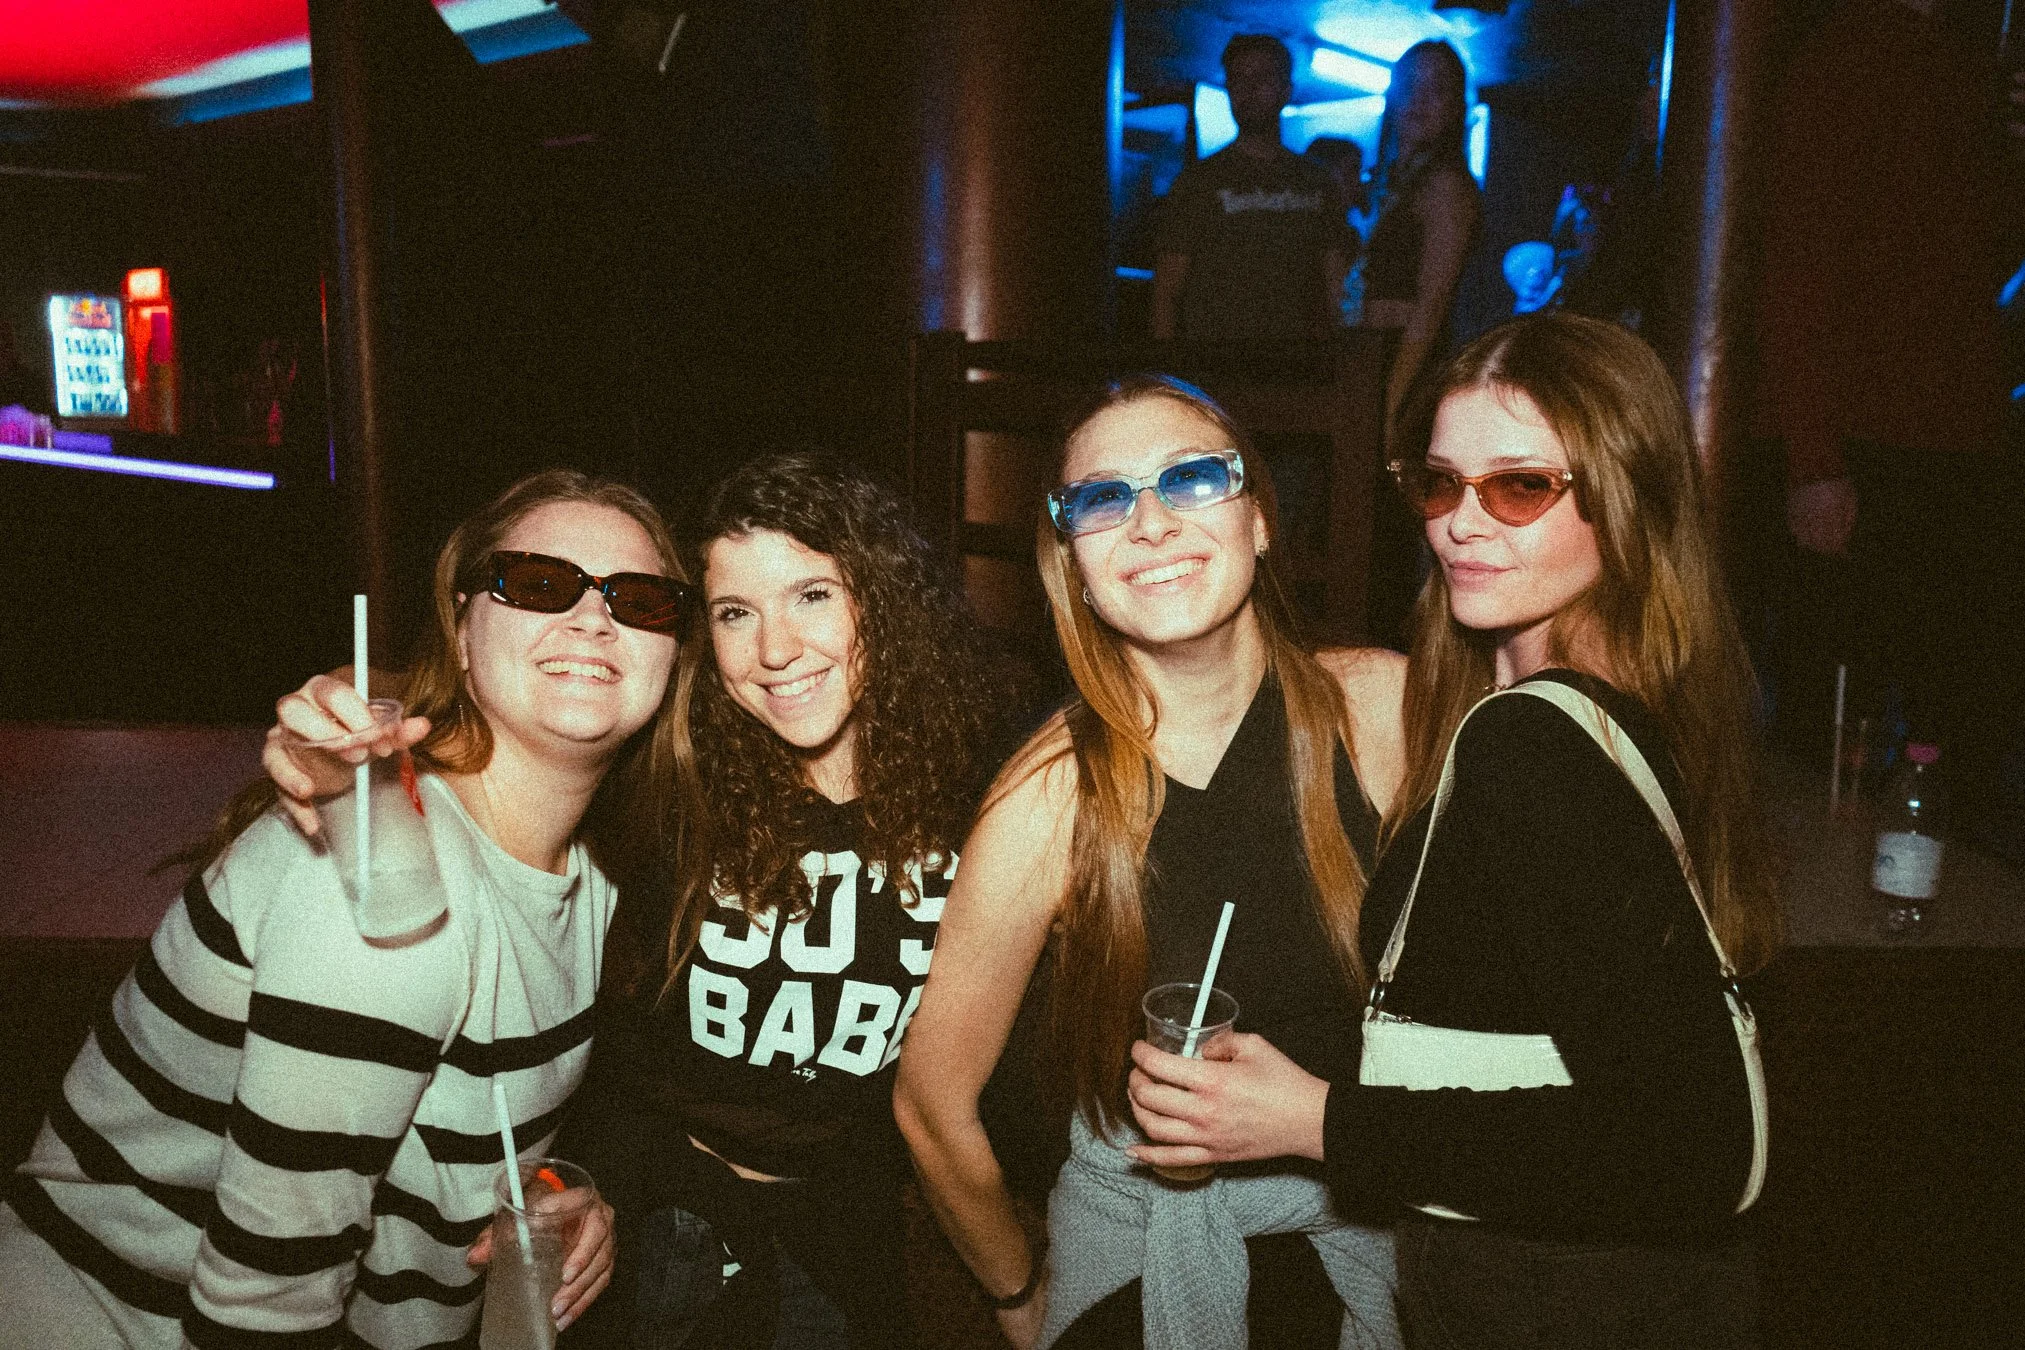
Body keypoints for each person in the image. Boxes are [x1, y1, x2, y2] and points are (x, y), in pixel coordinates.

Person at [1126, 314, 1781, 1347]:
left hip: (1564, 1310)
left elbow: (1690, 1148)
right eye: (1440, 485)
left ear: (1628, 497)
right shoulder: (1636, 707)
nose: (1461, 525)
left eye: (1519, 487)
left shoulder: (1533, 745)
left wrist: (1313, 1119)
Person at [0, 469, 691, 1347]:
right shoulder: (379, 878)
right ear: (463, 630)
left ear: (673, 655)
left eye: (639, 600)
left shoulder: (591, 883)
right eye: (539, 582)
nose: (593, 617)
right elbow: (261, 1313)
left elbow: (449, 1122)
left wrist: (549, 1191)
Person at [896, 375, 1408, 1350]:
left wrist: (1332, 1122)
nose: (1151, 522)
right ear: (1074, 565)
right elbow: (930, 1103)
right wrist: (1016, 1296)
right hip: (1140, 1243)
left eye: (1191, 479)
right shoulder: (1046, 795)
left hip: (1370, 1222)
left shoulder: (1387, 713)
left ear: (1259, 518)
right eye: (1103, 498)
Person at [566, 451, 1022, 1348]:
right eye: (735, 612)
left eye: (812, 595)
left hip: (857, 1221)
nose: (774, 650)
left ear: (881, 602)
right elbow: (499, 758)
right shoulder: (666, 777)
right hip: (658, 1212)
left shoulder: (985, 790)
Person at [1361, 39, 1482, 648]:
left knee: (1394, 542)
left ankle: (1405, 666)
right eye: (1408, 85)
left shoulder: (1445, 186)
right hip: (1377, 369)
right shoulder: (1398, 181)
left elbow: (1431, 310)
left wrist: (1393, 403)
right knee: (1373, 539)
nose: (1417, 100)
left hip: (1409, 374)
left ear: (1457, 105)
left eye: (1436, 90)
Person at [1151, 35, 1356, 342]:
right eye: (1238, 80)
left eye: (1262, 78)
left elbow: (1335, 282)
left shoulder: (1317, 182)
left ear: (1286, 91)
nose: (1248, 90)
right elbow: (1167, 290)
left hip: (1296, 360)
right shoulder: (1198, 182)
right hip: (1216, 361)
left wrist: (1341, 352)